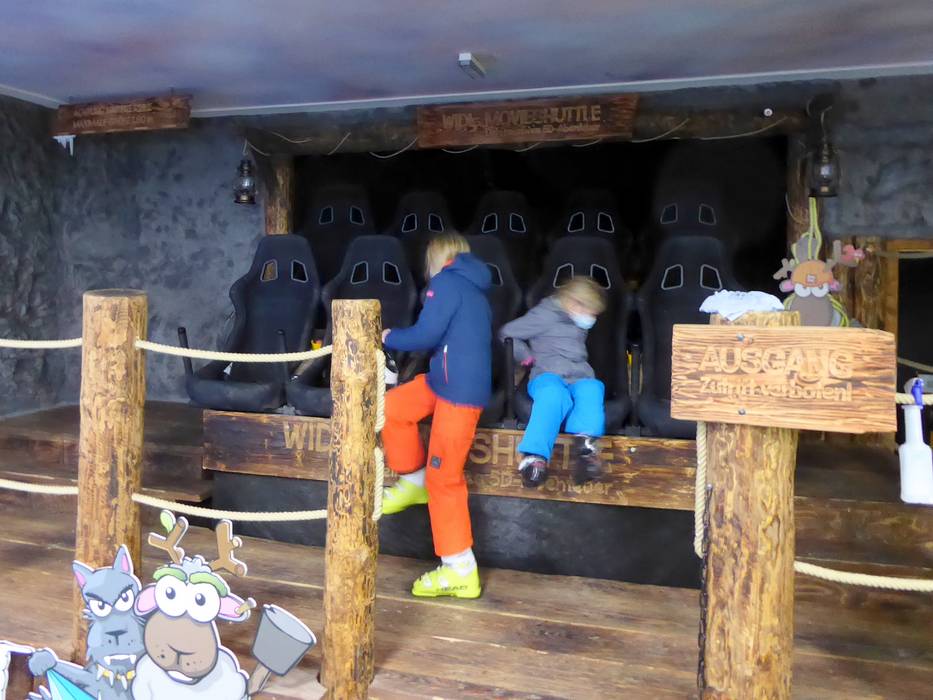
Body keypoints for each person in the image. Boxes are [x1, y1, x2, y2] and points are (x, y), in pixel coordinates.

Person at [380, 232, 492, 599]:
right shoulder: (473, 286)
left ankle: (460, 569)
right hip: (443, 381)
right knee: (394, 407)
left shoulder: (445, 282)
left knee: (444, 478)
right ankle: (415, 481)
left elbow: (425, 335)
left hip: (459, 392)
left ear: (436, 258)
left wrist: (388, 336)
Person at [499, 276, 607, 488]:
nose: (592, 318)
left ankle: (585, 449)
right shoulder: (544, 315)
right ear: (574, 303)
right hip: (547, 374)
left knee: (593, 389)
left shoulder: (576, 318)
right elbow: (507, 333)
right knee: (554, 396)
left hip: (579, 374)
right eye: (591, 312)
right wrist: (526, 356)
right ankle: (534, 457)